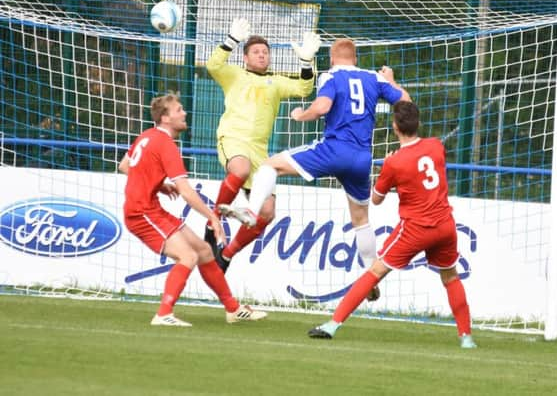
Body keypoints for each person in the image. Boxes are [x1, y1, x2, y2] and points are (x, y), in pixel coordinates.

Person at [219, 38, 411, 300]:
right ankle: (370, 276)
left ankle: (252, 211)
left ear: (332, 58)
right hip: (361, 159)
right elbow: (406, 102)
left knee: (269, 166)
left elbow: (322, 107)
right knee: (361, 221)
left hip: (332, 151)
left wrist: (302, 115)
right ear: (355, 58)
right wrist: (391, 80)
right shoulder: (373, 77)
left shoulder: (330, 75)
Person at [307, 101, 477, 349]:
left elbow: (375, 199)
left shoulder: (394, 162)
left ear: (395, 128)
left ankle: (333, 324)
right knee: (451, 277)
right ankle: (466, 338)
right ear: (418, 124)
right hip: (445, 225)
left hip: (416, 228)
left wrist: (388, 167)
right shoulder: (436, 146)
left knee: (375, 271)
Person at [118, 94, 267, 326]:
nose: (184, 113)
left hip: (151, 209)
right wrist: (213, 218)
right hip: (141, 213)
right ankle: (164, 313)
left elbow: (124, 165)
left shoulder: (147, 136)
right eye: (178, 110)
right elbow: (186, 192)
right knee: (187, 256)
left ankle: (233, 309)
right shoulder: (165, 144)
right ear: (165, 118)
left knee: (204, 251)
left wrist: (159, 185)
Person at [204, 17, 321, 273]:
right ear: (245, 57)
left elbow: (304, 89)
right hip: (233, 138)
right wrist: (231, 40)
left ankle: (226, 256)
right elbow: (213, 65)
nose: (261, 55)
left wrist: (306, 61)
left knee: (267, 213)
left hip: (259, 151)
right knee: (240, 169)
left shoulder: (276, 82)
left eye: (265, 52)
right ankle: (213, 223)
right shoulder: (233, 74)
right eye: (256, 52)